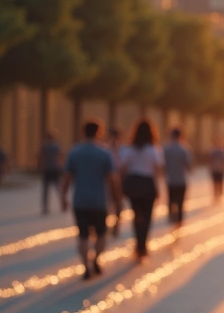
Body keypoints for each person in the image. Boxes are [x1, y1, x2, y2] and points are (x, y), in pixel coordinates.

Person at [61, 120, 120, 280]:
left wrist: (63, 196)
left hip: (80, 200)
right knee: (101, 235)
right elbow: (112, 179)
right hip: (99, 201)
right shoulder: (105, 153)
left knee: (83, 235)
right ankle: (96, 259)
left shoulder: (75, 152)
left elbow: (67, 177)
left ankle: (85, 265)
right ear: (99, 132)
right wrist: (116, 199)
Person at [119, 119, 163, 260]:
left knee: (136, 214)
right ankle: (143, 244)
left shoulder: (129, 149)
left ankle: (138, 243)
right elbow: (157, 171)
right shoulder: (154, 149)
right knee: (148, 216)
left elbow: (123, 168)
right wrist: (157, 188)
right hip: (148, 183)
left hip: (133, 183)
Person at [163, 127, 193, 225]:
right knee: (180, 202)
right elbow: (189, 165)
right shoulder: (184, 149)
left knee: (171, 200)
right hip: (181, 180)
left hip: (170, 180)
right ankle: (179, 221)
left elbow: (162, 165)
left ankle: (171, 218)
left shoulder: (166, 149)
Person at [39, 131, 63, 215]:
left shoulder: (46, 146)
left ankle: (46, 207)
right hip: (51, 169)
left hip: (50, 169)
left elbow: (40, 157)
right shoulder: (54, 146)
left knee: (51, 189)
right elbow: (59, 157)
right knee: (53, 189)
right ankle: (48, 207)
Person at [208, 137, 224, 203]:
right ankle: (217, 195)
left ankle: (218, 194)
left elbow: (209, 159)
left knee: (217, 182)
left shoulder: (215, 151)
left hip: (218, 169)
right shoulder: (220, 151)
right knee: (217, 182)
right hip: (218, 169)